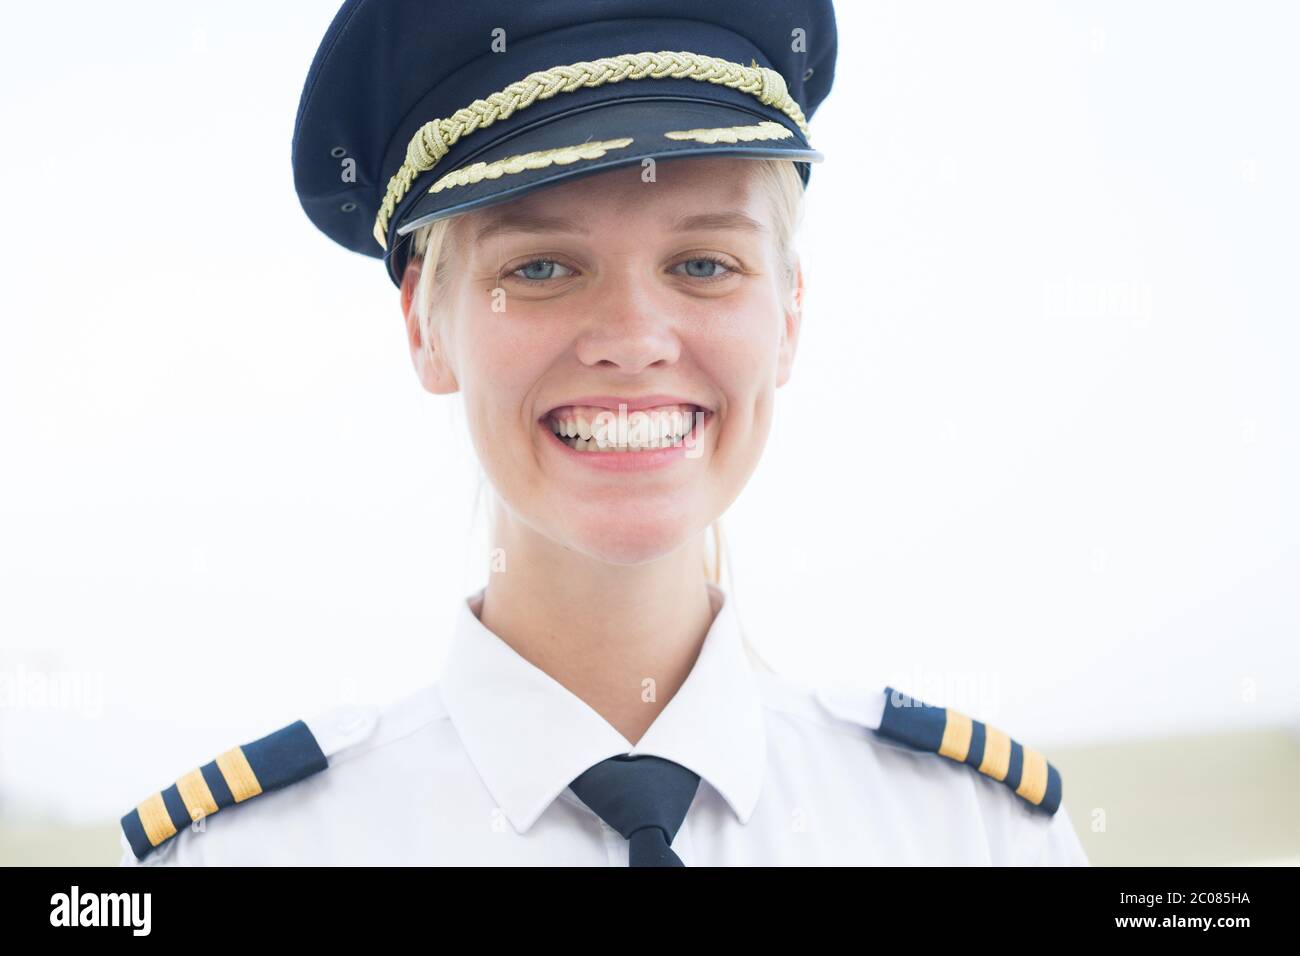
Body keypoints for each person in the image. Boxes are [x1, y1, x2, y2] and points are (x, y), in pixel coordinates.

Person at [118, 0, 1090, 866]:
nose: (633, 340)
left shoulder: (975, 834)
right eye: (541, 268)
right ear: (424, 325)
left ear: (789, 315)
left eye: (704, 263)